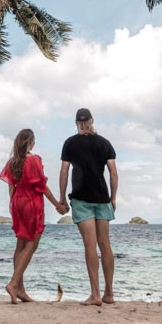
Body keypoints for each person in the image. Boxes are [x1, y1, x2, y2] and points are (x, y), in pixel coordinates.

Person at [0, 128, 67, 304]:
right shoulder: (34, 160)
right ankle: (14, 284)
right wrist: (57, 205)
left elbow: (11, 188)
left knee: (20, 244)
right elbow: (42, 187)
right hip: (31, 203)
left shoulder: (12, 162)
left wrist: (14, 206)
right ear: (30, 142)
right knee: (32, 244)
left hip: (16, 203)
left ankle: (20, 290)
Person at [59, 108, 118, 306]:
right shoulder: (105, 143)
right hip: (102, 198)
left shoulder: (70, 143)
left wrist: (62, 198)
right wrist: (113, 198)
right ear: (92, 120)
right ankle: (109, 293)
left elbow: (64, 172)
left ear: (77, 122)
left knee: (90, 245)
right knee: (105, 245)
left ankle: (95, 294)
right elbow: (113, 173)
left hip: (81, 199)